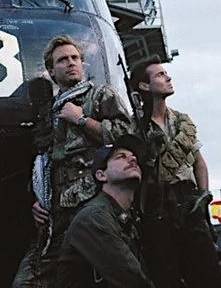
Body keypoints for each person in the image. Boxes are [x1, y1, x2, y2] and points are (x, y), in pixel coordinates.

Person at [13, 35, 133, 288]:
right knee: (28, 280)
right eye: (63, 60)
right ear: (51, 71)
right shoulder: (50, 111)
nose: (71, 63)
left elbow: (126, 138)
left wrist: (82, 120)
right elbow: (43, 161)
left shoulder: (100, 95)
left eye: (75, 58)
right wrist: (38, 201)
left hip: (93, 205)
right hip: (57, 211)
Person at [129, 55, 221, 288]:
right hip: (156, 206)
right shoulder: (134, 127)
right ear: (145, 86)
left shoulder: (182, 122)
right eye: (160, 75)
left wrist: (203, 196)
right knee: (166, 276)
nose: (168, 77)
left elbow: (199, 162)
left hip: (189, 202)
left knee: (208, 273)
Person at [56, 134, 153, 288]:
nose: (133, 159)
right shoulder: (93, 217)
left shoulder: (127, 219)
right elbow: (131, 279)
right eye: (121, 157)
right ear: (101, 175)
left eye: (134, 157)